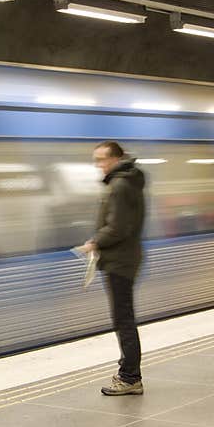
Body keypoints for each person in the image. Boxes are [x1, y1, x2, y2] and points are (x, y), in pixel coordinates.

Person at [76, 141, 147, 395]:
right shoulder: (128, 181)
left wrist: (95, 242)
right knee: (124, 317)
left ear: (116, 159)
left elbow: (118, 227)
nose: (98, 166)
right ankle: (128, 373)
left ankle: (130, 377)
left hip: (120, 260)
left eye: (102, 160)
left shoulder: (119, 185)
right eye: (95, 160)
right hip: (124, 257)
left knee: (123, 319)